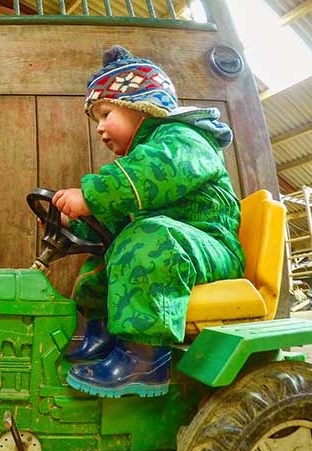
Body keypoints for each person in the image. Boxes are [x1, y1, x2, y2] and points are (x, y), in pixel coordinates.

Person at [52, 46, 245, 398]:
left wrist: (90, 194)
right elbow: (118, 212)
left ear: (142, 105)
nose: (99, 129)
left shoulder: (185, 139)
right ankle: (100, 334)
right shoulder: (141, 163)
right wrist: (78, 222)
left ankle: (143, 359)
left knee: (146, 241)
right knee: (104, 256)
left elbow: (154, 174)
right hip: (177, 246)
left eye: (105, 114)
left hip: (209, 248)